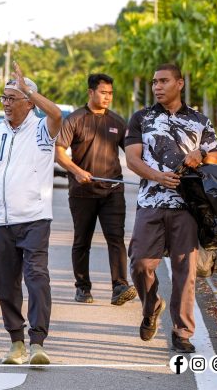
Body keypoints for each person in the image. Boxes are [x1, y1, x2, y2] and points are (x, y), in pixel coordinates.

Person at [0, 61, 63, 365]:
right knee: (6, 283)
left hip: (34, 217)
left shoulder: (41, 129)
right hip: (0, 221)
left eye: (13, 98)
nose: (7, 104)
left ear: (28, 101)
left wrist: (29, 91)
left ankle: (38, 342)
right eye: (4, 98)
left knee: (36, 277)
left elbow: (57, 114)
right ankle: (16, 342)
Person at [125, 63, 217, 353]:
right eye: (154, 81)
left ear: (180, 84)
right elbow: (132, 159)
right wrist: (158, 176)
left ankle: (182, 332)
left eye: (164, 81)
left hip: (187, 207)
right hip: (151, 203)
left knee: (185, 271)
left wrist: (201, 154)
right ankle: (152, 304)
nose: (157, 86)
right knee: (141, 264)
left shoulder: (199, 121)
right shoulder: (141, 118)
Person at [55, 73, 137, 306]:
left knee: (116, 238)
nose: (107, 97)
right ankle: (82, 287)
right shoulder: (75, 119)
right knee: (82, 241)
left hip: (113, 190)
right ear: (91, 92)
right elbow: (59, 152)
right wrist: (76, 170)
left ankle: (119, 286)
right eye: (103, 92)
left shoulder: (118, 122)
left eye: (110, 93)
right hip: (82, 192)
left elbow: (132, 152)